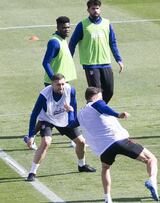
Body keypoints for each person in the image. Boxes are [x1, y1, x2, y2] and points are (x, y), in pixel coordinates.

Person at [77, 87, 159, 202]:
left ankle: (107, 198)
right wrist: (118, 114)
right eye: (101, 97)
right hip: (119, 140)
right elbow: (103, 107)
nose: (103, 100)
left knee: (105, 168)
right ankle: (152, 180)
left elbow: (72, 124)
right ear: (95, 96)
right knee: (151, 159)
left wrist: (69, 109)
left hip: (104, 149)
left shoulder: (80, 113)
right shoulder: (97, 103)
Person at [25, 74, 96, 182]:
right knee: (46, 143)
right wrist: (30, 135)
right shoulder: (44, 95)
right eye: (58, 84)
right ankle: (32, 172)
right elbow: (34, 114)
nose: (61, 87)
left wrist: (72, 120)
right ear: (52, 84)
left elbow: (73, 106)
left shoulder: (70, 89)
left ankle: (81, 166)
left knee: (81, 142)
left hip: (64, 118)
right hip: (47, 119)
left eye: (63, 84)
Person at [23, 16, 78, 150]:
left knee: (66, 109)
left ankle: (74, 138)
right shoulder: (54, 42)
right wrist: (55, 80)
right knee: (49, 115)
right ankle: (30, 136)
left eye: (68, 27)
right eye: (64, 27)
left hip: (63, 83)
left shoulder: (63, 40)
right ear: (58, 27)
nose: (67, 30)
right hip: (55, 84)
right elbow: (45, 62)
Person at [69, 0, 124, 104]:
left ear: (100, 9)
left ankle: (94, 109)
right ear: (88, 10)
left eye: (97, 8)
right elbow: (72, 43)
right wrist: (68, 60)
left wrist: (119, 59)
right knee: (96, 93)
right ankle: (94, 112)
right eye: (93, 9)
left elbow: (112, 43)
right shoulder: (82, 25)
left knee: (109, 91)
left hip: (105, 63)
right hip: (90, 64)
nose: (95, 11)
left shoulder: (107, 23)